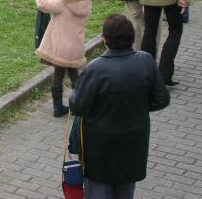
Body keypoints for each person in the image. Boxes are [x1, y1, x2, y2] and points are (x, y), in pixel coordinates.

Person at [70, 14, 170, 199]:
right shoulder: (145, 61)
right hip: (133, 143)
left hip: (99, 147)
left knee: (98, 190)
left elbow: (78, 106)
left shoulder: (95, 68)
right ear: (131, 37)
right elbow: (162, 99)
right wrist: (137, 105)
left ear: (105, 39)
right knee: (126, 191)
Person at [33, 0, 94, 117]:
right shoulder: (87, 3)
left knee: (58, 74)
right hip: (76, 47)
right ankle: (81, 104)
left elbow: (42, 4)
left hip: (60, 48)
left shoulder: (63, 3)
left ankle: (58, 107)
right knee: (74, 73)